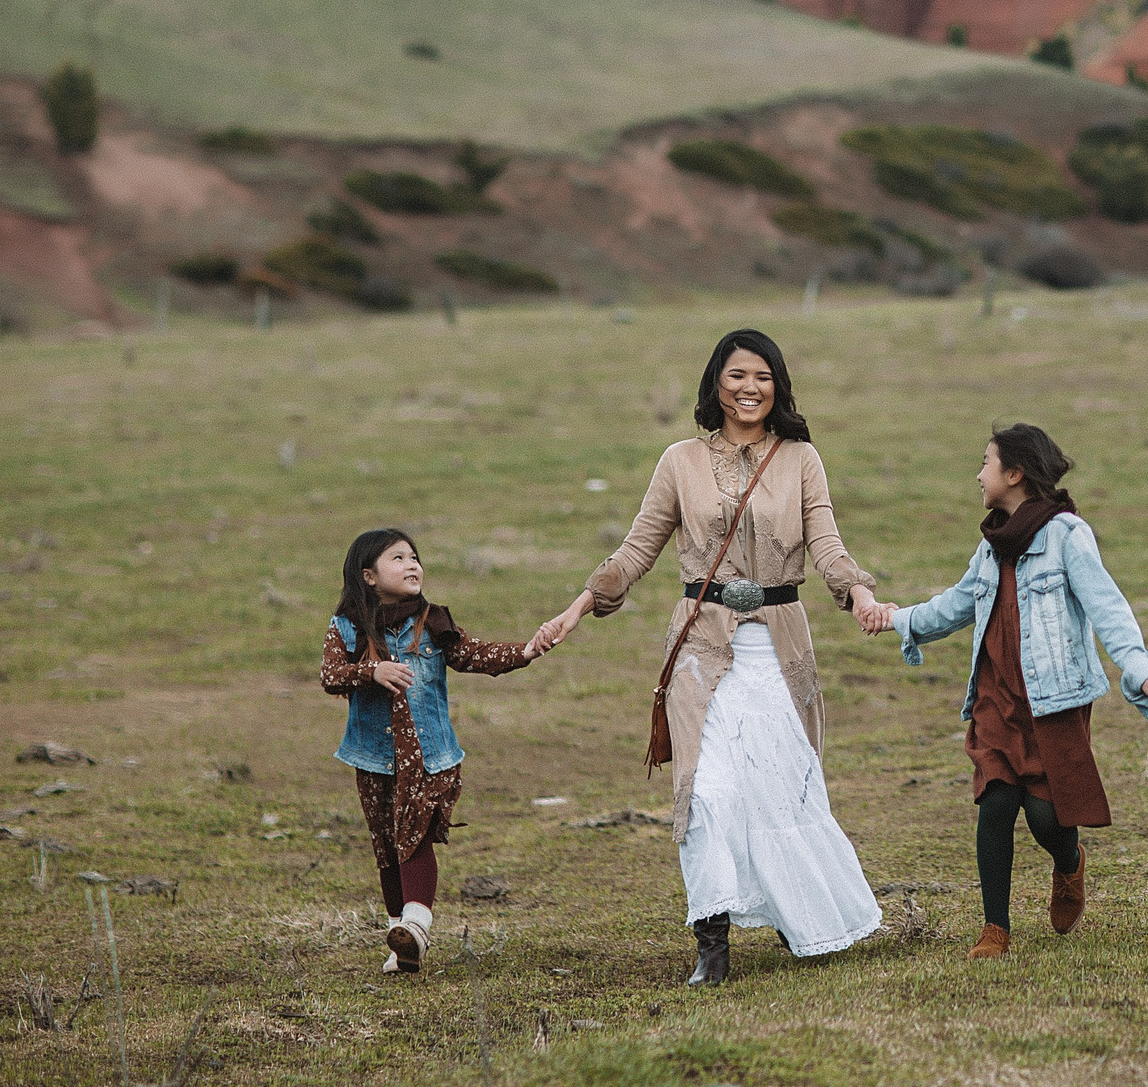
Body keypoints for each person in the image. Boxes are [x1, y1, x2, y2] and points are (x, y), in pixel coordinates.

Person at [536, 328, 887, 986]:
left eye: (762, 376)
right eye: (736, 376)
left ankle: (797, 914)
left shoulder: (801, 458)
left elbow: (827, 543)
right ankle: (712, 940)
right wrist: (576, 608)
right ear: (715, 385)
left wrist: (860, 592)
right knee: (704, 789)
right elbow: (636, 550)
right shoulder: (679, 461)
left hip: (780, 647)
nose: (749, 388)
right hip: (700, 646)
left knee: (782, 785)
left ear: (778, 385)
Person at [868, 422, 1148, 960]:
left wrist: (1140, 668)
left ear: (1014, 474)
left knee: (1045, 816)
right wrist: (897, 619)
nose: (978, 475)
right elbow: (956, 605)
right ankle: (995, 929)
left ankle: (1069, 862)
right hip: (996, 699)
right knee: (995, 803)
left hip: (1054, 700)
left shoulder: (1068, 536)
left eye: (985, 463)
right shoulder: (991, 547)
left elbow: (1108, 607)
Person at [320, 528, 554, 974]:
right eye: (398, 558)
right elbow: (330, 675)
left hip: (431, 756)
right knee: (387, 846)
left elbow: (473, 655)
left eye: (414, 557)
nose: (412, 565)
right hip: (373, 758)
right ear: (368, 576)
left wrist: (525, 651)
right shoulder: (346, 626)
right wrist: (371, 671)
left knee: (415, 835)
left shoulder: (433, 621)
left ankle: (418, 925)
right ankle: (402, 942)